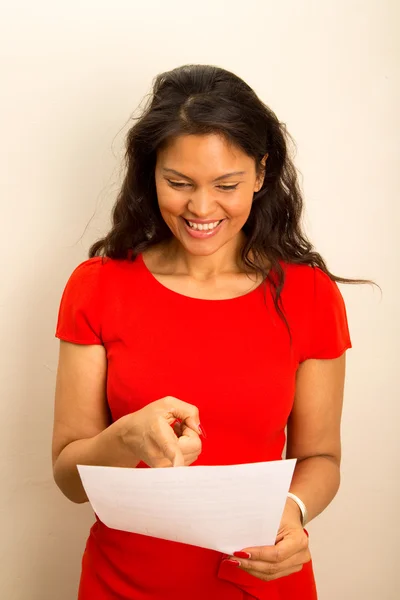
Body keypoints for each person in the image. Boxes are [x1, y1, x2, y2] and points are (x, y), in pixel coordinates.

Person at [52, 64, 370, 600]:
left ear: (262, 173)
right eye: (178, 184)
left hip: (261, 581)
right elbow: (69, 481)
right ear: (150, 173)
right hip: (124, 584)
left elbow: (322, 457)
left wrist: (291, 512)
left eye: (227, 185)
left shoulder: (309, 295)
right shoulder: (98, 287)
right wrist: (127, 435)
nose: (201, 208)